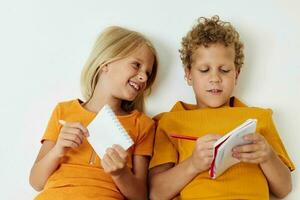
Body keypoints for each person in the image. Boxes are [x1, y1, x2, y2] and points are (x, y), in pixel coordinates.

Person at [149, 15, 294, 200]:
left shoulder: (259, 118)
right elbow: (155, 194)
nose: (215, 78)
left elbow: (284, 189)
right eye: (204, 70)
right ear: (188, 74)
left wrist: (267, 156)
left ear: (237, 74)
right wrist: (193, 164)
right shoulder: (171, 122)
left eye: (224, 70)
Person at [29, 26, 158, 200]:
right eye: (136, 65)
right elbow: (36, 182)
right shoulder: (64, 111)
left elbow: (140, 197)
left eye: (147, 74)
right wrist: (58, 149)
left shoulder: (142, 124)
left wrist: (121, 174)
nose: (143, 77)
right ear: (105, 63)